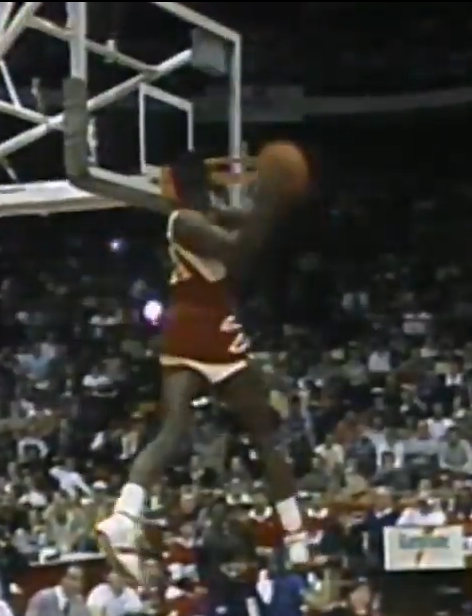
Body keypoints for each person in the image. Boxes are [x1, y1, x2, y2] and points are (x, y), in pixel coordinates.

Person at [96, 153, 311, 582]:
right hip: (207, 326)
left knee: (178, 429)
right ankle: (297, 535)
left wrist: (264, 196)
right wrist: (268, 193)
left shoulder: (203, 214)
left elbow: (253, 228)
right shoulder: (185, 221)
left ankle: (124, 516)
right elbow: (238, 248)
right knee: (259, 432)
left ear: (173, 184)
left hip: (188, 329)